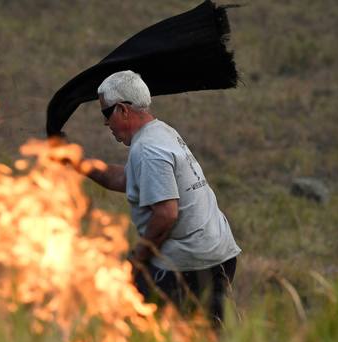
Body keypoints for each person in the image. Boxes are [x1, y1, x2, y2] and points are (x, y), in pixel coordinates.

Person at [68, 70, 241, 327]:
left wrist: (138, 258)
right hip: (220, 254)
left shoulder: (147, 149)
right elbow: (122, 179)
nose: (106, 123)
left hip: (191, 262)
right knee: (206, 337)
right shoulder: (161, 132)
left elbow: (166, 213)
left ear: (124, 110)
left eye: (107, 113)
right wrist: (76, 160)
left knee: (131, 314)